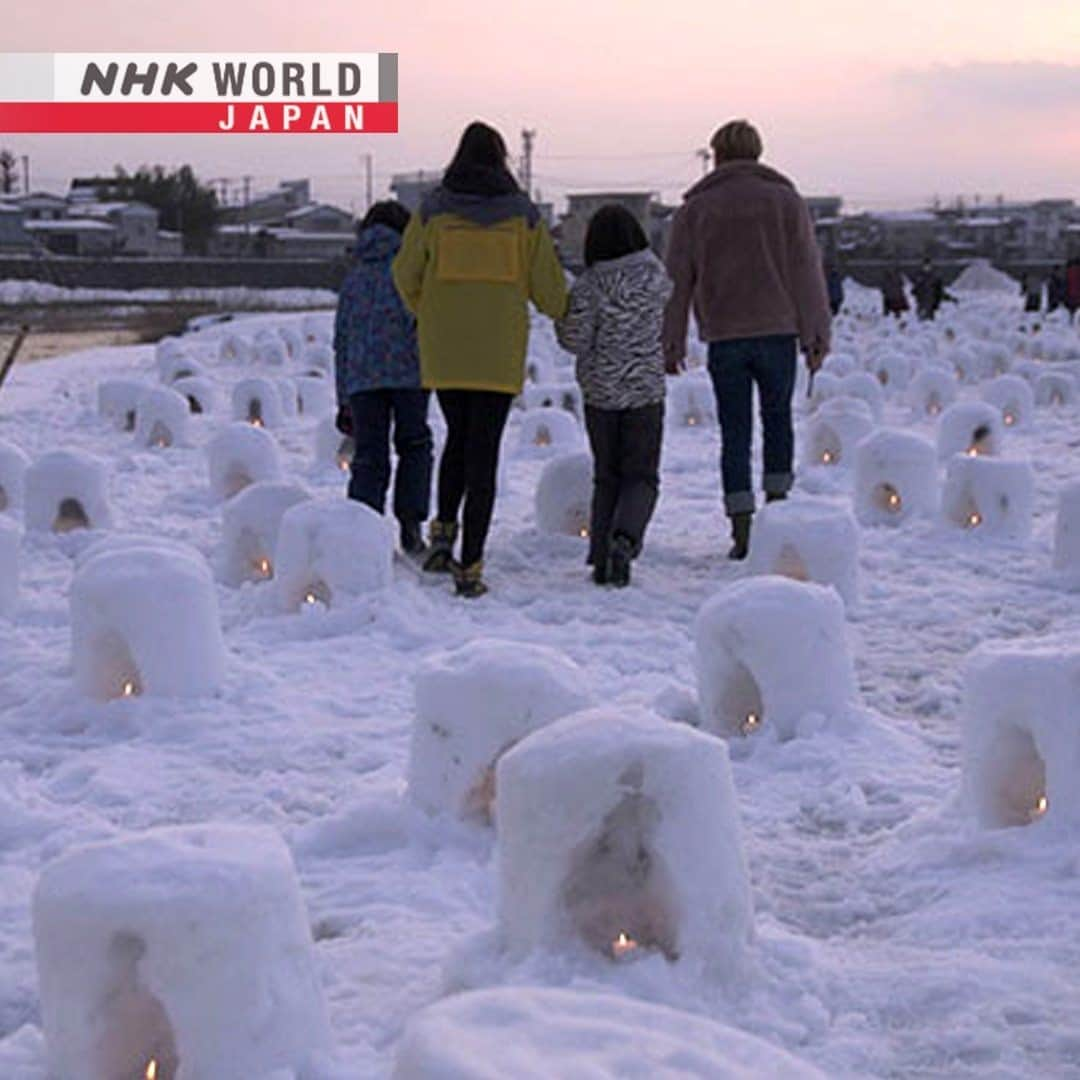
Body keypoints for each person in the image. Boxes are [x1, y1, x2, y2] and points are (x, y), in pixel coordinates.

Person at [392, 121, 567, 597]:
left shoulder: (432, 210)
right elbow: (550, 289)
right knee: (483, 452)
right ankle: (471, 564)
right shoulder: (523, 216)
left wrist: (429, 310)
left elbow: (405, 273)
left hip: (445, 348)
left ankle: (442, 540)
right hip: (498, 350)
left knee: (455, 439)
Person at [662, 118, 831, 560]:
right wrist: (816, 333)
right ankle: (778, 512)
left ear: (716, 155)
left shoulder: (696, 209)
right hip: (778, 332)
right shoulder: (786, 201)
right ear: (758, 151)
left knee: (735, 433)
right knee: (778, 422)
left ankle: (740, 527)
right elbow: (806, 271)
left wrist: (672, 339)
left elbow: (677, 279)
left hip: (726, 335)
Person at [556, 205, 672, 587]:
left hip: (602, 394)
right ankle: (626, 539)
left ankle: (602, 556)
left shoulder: (589, 286)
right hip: (646, 392)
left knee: (607, 476)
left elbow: (575, 341)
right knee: (641, 476)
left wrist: (562, 319)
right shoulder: (656, 276)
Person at [333, 200, 433, 555]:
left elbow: (341, 339)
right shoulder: (413, 271)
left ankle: (364, 530)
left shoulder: (354, 279)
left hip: (362, 380)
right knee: (415, 446)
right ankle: (411, 525)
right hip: (410, 374)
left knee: (369, 456)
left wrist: (342, 397)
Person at [1067, 257, 1080, 323]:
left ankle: (1071, 319)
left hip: (1071, 293)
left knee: (1072, 308)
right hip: (1077, 293)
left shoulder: (1069, 271)